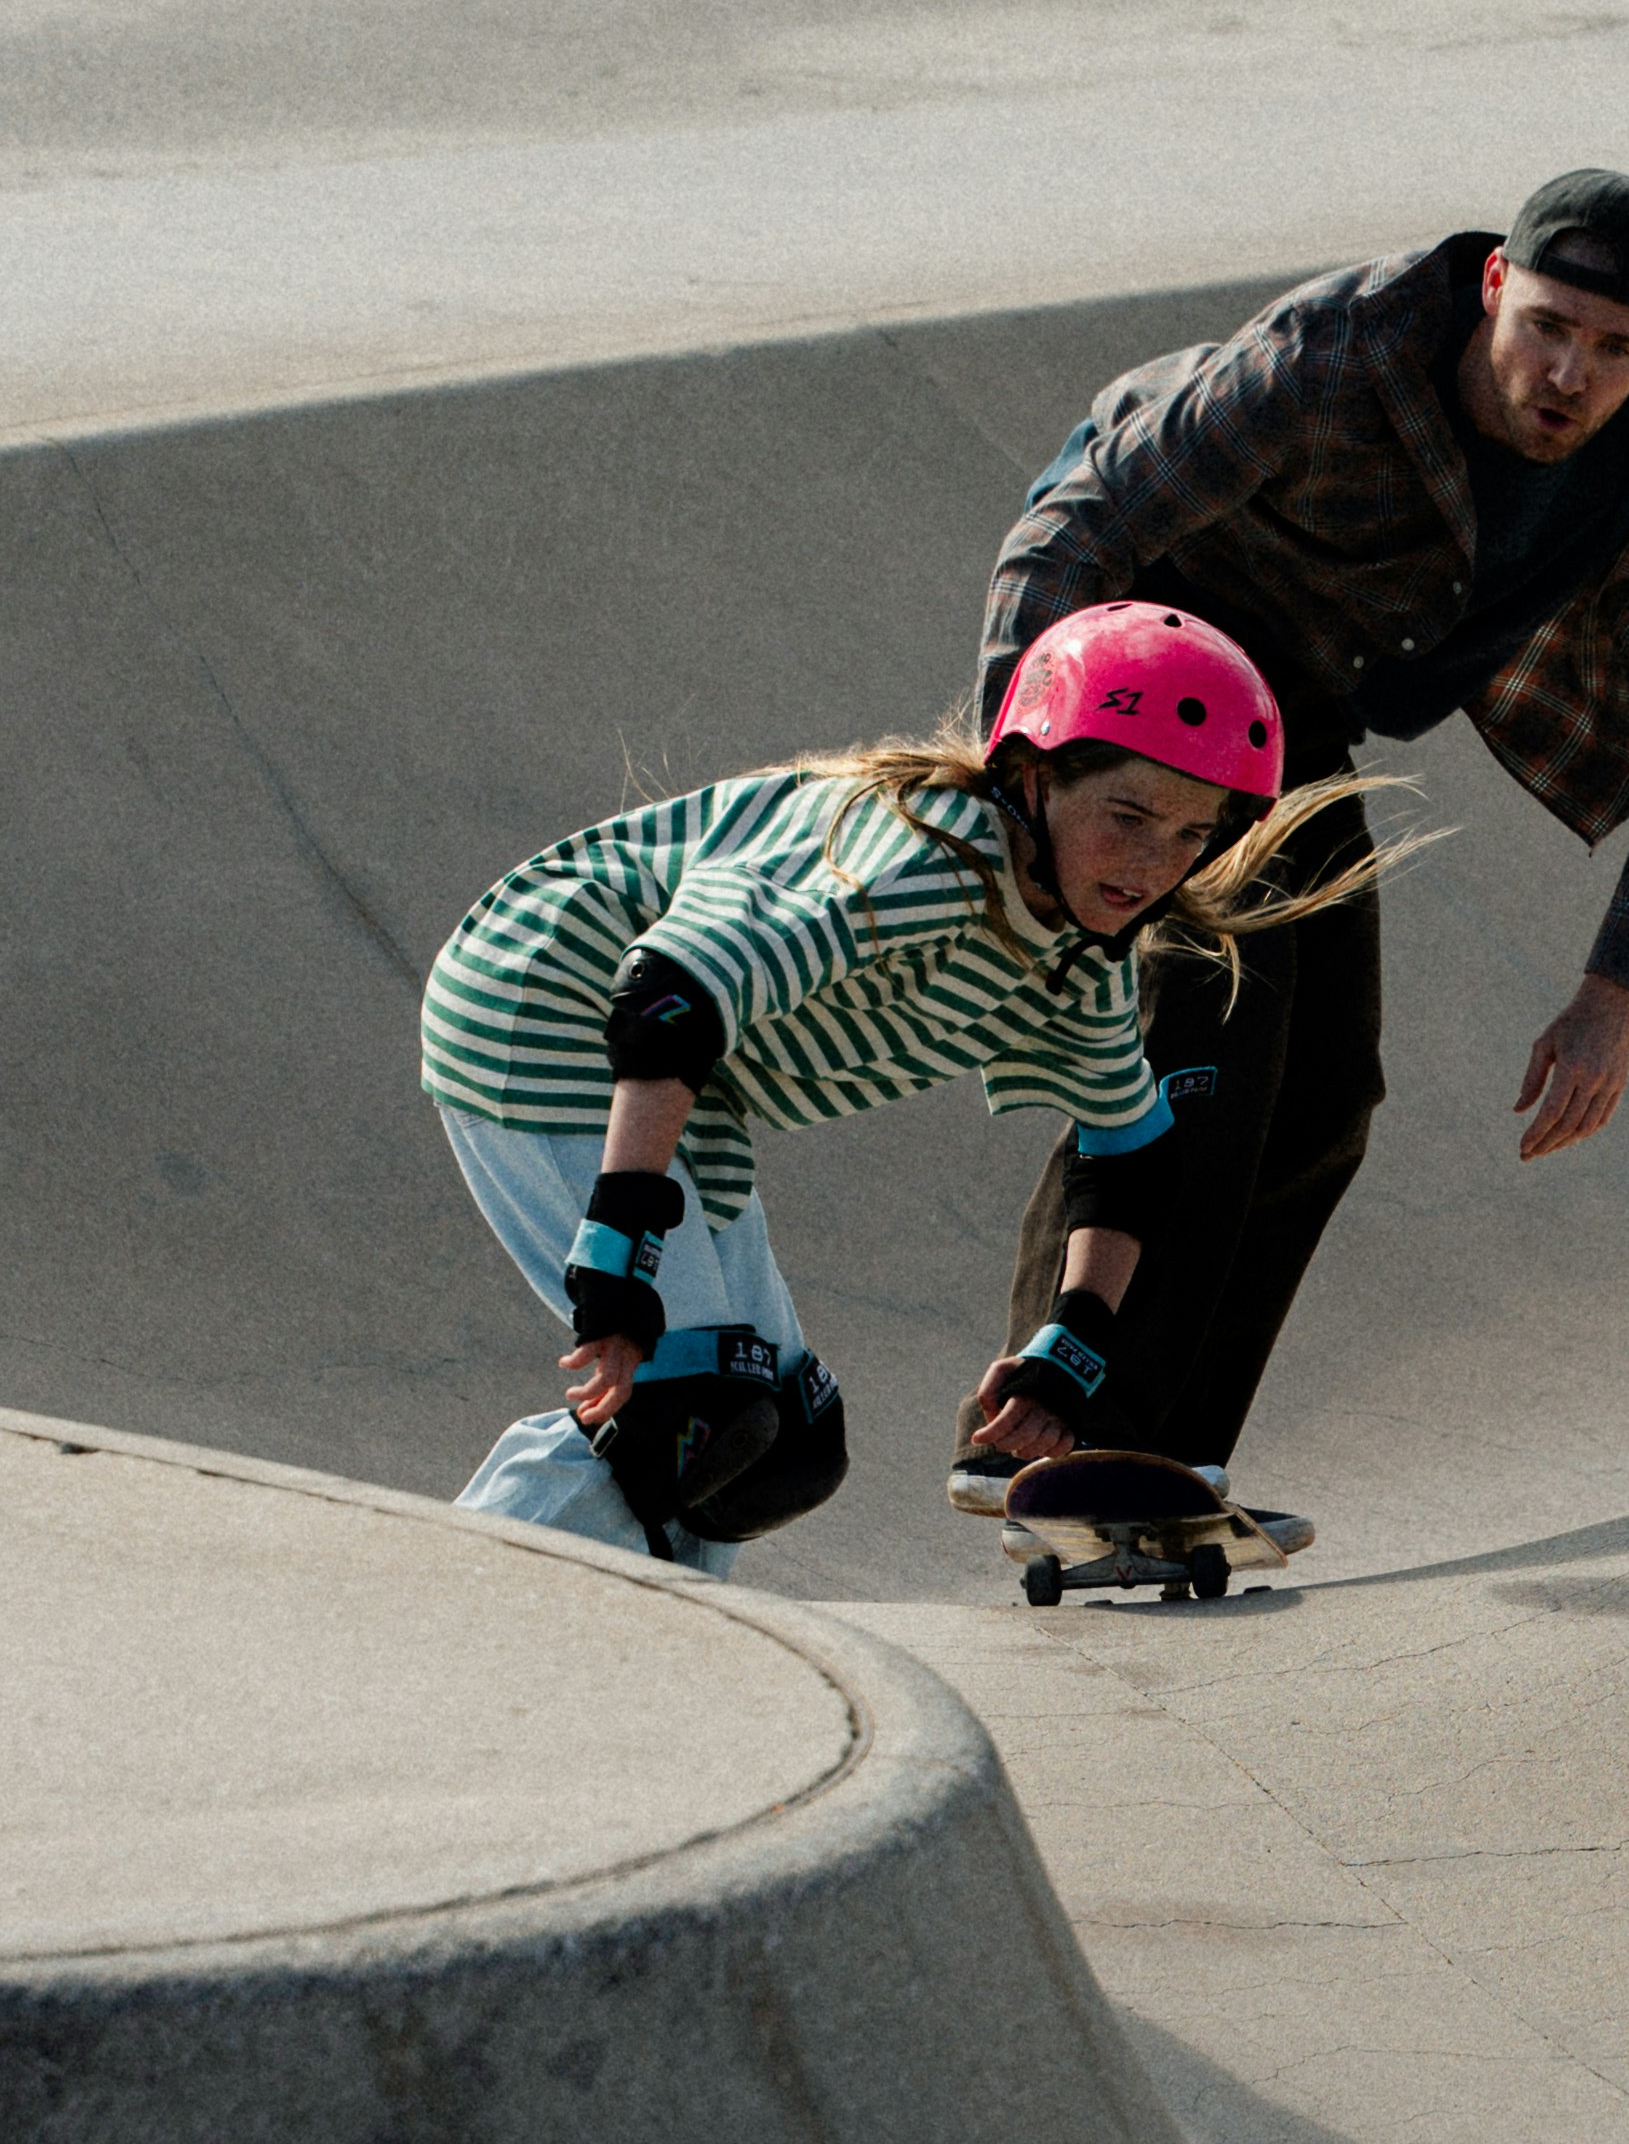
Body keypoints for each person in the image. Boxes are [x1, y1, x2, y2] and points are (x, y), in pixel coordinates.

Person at [953, 166, 1629, 1524]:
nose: (1566, 374)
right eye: (1547, 324)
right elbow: (1078, 525)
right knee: (1208, 1055)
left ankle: (1176, 1463)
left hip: (1293, 719)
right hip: (1160, 662)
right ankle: (1059, 1423)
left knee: (1326, 1098)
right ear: (1495, 282)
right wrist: (1016, 783)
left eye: (1613, 349)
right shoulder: (1335, 357)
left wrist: (1613, 995)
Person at [422, 609, 1379, 1572]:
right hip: (544, 1002)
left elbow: (1129, 1158)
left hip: (680, 1071)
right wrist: (618, 1253)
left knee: (780, 1439)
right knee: (687, 1412)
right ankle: (436, 1600)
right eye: (1126, 817)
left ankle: (675, 1661)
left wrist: (1068, 1350)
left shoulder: (1077, 956)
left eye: (1187, 836)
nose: (1149, 865)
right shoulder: (921, 862)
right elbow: (670, 995)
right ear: (1035, 777)